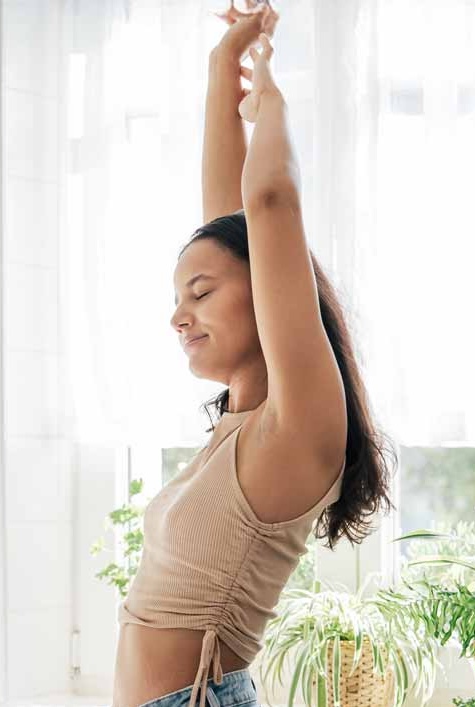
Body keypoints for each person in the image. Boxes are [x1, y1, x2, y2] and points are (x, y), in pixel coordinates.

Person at [111, 3, 394, 707]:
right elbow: (230, 222)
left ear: (266, 290)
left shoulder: (295, 431)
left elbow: (266, 205)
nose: (179, 314)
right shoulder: (240, 429)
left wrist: (270, 98)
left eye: (199, 293)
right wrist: (221, 67)